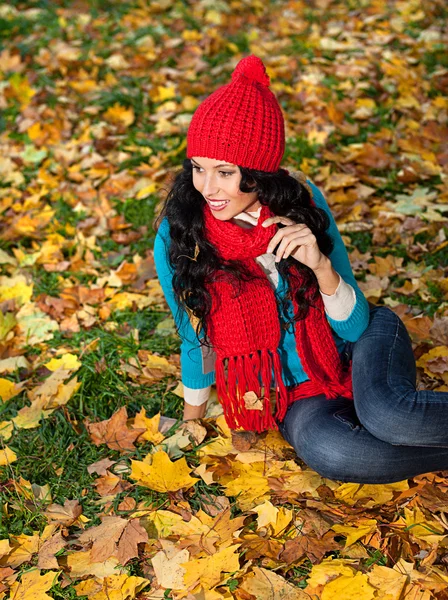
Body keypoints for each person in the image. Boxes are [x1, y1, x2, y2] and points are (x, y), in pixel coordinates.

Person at [153, 54, 448, 484]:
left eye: (225, 172)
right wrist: (191, 421)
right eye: (198, 168)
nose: (207, 188)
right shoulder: (180, 234)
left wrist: (321, 266)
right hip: (293, 391)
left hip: (359, 342)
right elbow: (194, 336)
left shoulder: (303, 205)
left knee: (388, 415)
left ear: (258, 171)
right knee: (334, 451)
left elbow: (354, 325)